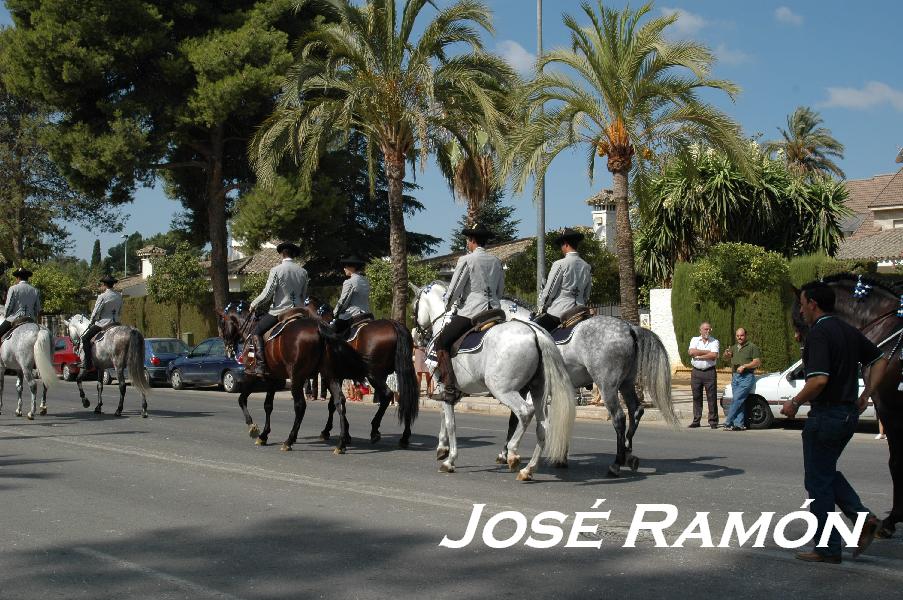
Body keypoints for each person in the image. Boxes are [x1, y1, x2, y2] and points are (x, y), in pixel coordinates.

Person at [781, 280, 888, 563]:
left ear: (813, 304)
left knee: (817, 482)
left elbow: (818, 380)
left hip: (826, 415)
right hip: (846, 415)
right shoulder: (848, 331)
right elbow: (880, 360)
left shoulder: (819, 333)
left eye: (802, 304)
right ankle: (863, 520)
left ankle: (828, 548)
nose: (801, 310)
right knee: (824, 473)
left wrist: (794, 402)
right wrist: (866, 394)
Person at [434, 223, 504, 403]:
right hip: (495, 311)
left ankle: (450, 388)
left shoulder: (467, 260)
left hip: (472, 312)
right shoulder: (496, 261)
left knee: (441, 342)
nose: (467, 243)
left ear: (472, 241)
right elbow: (500, 290)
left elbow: (454, 288)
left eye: (468, 240)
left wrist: (448, 305)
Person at [248, 242, 309, 376]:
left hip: (280, 311)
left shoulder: (276, 270)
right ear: (294, 255)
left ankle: (261, 365)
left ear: (282, 254)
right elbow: (303, 295)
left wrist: (254, 304)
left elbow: (267, 294)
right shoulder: (303, 271)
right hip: (299, 311)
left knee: (256, 332)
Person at [533, 228, 592, 332]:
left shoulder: (560, 264)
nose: (561, 248)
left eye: (561, 245)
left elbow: (550, 291)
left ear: (565, 244)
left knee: (534, 331)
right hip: (580, 312)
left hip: (559, 312)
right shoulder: (586, 266)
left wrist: (542, 307)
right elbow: (586, 294)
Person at [79, 275, 123, 371]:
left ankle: (88, 363)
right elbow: (120, 311)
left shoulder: (102, 296)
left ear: (104, 285)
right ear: (113, 285)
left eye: (102, 284)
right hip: (117, 323)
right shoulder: (119, 296)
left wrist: (91, 321)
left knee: (85, 338)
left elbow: (96, 311)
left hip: (103, 323)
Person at [723, 327, 761, 431]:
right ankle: (739, 424)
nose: (739, 337)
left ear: (746, 335)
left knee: (737, 399)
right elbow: (725, 358)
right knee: (740, 401)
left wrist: (745, 366)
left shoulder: (752, 347)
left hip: (747, 377)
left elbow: (757, 362)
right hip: (735, 377)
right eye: (738, 336)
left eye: (742, 335)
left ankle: (728, 421)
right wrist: (726, 354)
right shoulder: (734, 347)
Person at [687, 321, 720, 428]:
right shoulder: (694, 339)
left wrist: (699, 354)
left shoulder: (714, 341)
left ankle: (713, 421)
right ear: (700, 330)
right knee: (696, 396)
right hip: (696, 372)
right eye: (705, 329)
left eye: (709, 329)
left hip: (709, 372)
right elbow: (691, 352)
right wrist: (707, 352)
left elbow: (714, 355)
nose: (707, 331)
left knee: (712, 397)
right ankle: (696, 420)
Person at [331, 255, 371, 338]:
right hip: (367, 313)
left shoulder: (349, 282)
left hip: (353, 314)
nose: (344, 269)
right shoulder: (365, 280)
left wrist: (335, 314)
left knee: (331, 334)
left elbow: (343, 301)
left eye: (346, 266)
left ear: (353, 267)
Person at [0, 267, 41, 344]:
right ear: (27, 278)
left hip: (15, 318)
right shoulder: (35, 290)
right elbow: (37, 309)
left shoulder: (13, 288)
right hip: (30, 319)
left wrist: (6, 315)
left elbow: (8, 307)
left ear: (18, 278)